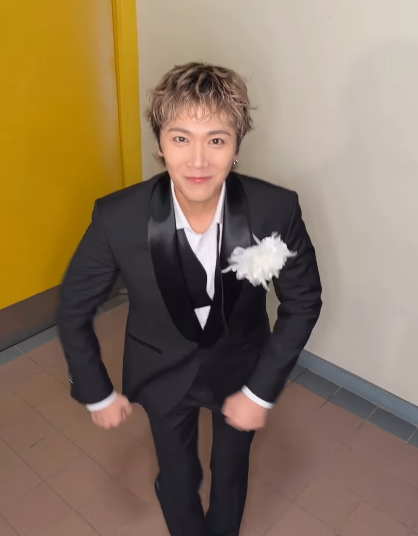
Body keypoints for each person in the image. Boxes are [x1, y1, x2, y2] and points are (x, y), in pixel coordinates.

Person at [57, 62, 322, 536]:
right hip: (160, 371)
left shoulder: (276, 209)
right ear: (160, 144)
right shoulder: (118, 217)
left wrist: (260, 391)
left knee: (231, 473)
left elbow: (303, 302)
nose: (198, 161)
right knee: (178, 478)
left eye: (216, 140)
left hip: (241, 368)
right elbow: (74, 307)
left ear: (236, 146)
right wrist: (96, 389)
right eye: (181, 138)